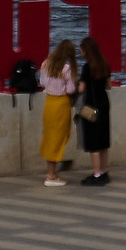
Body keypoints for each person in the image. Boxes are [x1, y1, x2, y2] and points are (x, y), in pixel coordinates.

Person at [36, 39, 78, 186]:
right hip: (61, 104)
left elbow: (42, 83)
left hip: (49, 103)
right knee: (59, 137)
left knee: (49, 137)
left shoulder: (45, 64)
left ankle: (52, 172)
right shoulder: (66, 69)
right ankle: (51, 175)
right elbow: (71, 89)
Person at [75, 36, 114, 187]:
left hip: (91, 107)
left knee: (93, 142)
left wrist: (76, 83)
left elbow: (81, 89)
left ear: (86, 51)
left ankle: (96, 174)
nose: (80, 51)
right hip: (104, 104)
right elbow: (108, 86)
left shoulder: (87, 67)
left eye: (81, 49)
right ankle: (104, 172)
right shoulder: (105, 64)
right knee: (103, 140)